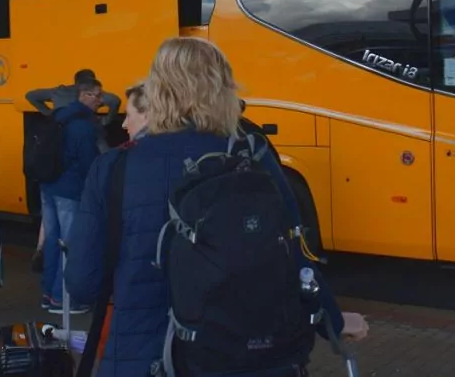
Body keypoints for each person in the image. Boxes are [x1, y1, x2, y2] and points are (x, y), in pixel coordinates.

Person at [65, 37, 367, 377]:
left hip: (141, 355)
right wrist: (333, 321)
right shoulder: (251, 155)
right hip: (237, 355)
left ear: (157, 92)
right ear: (222, 89)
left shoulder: (112, 168)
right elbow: (294, 252)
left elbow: (83, 283)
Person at [40, 78, 103, 314]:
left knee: (52, 241)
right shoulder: (84, 126)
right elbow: (90, 162)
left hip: (48, 186)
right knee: (69, 245)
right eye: (97, 95)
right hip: (69, 190)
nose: (100, 100)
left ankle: (47, 294)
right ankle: (61, 298)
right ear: (83, 95)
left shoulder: (59, 116)